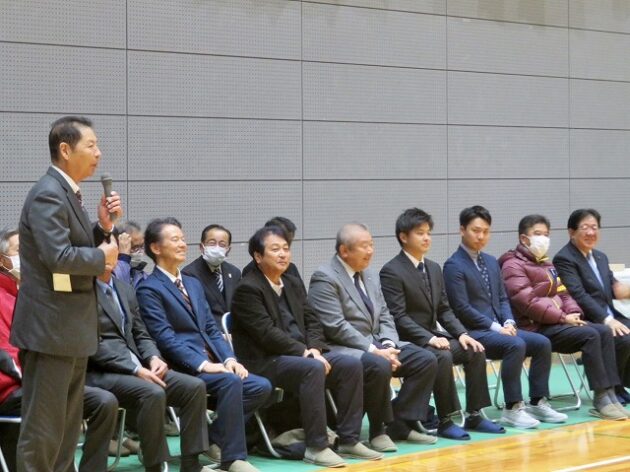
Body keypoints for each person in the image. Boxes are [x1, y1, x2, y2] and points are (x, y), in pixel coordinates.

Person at [9, 116, 121, 471]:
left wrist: (101, 228)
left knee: (65, 432)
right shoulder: (48, 193)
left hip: (69, 330)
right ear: (65, 149)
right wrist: (102, 257)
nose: (98, 153)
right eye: (91, 145)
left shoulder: (67, 192)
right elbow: (57, 257)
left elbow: (72, 246)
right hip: (50, 331)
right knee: (43, 433)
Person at [232, 226, 382, 467]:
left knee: (349, 364)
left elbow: (313, 321)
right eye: (275, 249)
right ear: (258, 256)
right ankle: (317, 446)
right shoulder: (247, 289)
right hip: (264, 360)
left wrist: (314, 349)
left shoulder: (291, 283)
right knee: (312, 368)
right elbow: (266, 334)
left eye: (286, 248)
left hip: (302, 355)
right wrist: (305, 353)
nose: (283, 254)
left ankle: (348, 439)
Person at [136, 218, 272, 472]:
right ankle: (233, 458)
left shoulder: (192, 283)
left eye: (182, 238)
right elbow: (164, 337)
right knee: (230, 382)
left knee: (259, 386)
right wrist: (203, 364)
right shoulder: (149, 289)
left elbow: (210, 328)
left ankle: (209, 437)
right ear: (155, 248)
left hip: (212, 362)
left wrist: (229, 359)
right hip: (182, 367)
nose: (182, 244)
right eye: (174, 239)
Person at [308, 223, 438, 453]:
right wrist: (374, 349)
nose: (370, 251)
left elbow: (386, 314)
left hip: (378, 342)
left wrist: (388, 343)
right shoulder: (324, 277)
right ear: (344, 250)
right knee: (378, 364)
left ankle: (399, 423)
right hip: (343, 347)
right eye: (364, 246)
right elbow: (335, 326)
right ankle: (378, 430)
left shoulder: (369, 274)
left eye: (372, 245)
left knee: (425, 359)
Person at [87, 242, 213, 472]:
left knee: (193, 387)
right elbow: (92, 345)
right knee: (152, 392)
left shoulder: (124, 289)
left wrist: (154, 358)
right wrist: (135, 369)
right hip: (101, 372)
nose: (107, 260)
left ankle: (191, 465)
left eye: (111, 255)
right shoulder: (81, 292)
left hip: (139, 366)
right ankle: (155, 466)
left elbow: (140, 333)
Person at [0, 228, 118, 472]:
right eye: (20, 250)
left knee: (104, 402)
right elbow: (7, 354)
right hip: (13, 387)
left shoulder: (38, 290)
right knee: (58, 401)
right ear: (2, 260)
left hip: (47, 377)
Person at [380, 209, 505, 439]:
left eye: (428, 233)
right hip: (409, 341)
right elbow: (399, 317)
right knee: (442, 356)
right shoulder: (391, 271)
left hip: (434, 336)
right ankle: (446, 420)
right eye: (420, 233)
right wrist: (430, 338)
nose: (426, 238)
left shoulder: (434, 268)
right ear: (403, 237)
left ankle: (475, 414)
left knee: (474, 349)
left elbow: (444, 310)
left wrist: (462, 334)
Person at [443, 205, 567, 429]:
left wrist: (509, 321)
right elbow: (461, 308)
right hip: (474, 332)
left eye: (486, 231)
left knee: (542, 343)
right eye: (475, 230)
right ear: (462, 230)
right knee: (515, 344)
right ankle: (512, 408)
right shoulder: (453, 266)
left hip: (500, 329)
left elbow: (503, 298)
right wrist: (496, 327)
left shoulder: (491, 261)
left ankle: (538, 401)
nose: (481, 236)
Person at [499, 214, 628, 420]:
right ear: (524, 238)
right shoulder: (512, 265)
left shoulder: (546, 264)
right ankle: (601, 397)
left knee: (603, 331)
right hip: (533, 327)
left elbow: (564, 293)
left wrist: (572, 311)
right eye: (538, 234)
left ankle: (610, 392)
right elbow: (528, 302)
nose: (543, 239)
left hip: (555, 322)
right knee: (591, 335)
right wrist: (562, 317)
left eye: (546, 234)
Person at [553, 208, 630, 404]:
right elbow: (578, 295)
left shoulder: (601, 257)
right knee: (624, 338)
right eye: (585, 227)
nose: (590, 232)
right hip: (587, 318)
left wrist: (623, 291)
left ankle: (621, 384)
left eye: (594, 227)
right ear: (571, 232)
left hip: (610, 315)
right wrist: (607, 320)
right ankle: (613, 387)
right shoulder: (564, 258)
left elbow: (615, 289)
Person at [182, 224, 241, 327]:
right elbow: (195, 313)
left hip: (235, 331)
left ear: (228, 249)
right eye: (212, 243)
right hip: (209, 332)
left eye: (222, 244)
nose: (217, 248)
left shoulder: (234, 272)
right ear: (202, 247)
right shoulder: (189, 274)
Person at [113, 221, 149, 288]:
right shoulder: (108, 273)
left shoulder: (143, 276)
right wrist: (123, 257)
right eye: (134, 247)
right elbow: (122, 290)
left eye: (141, 246)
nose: (139, 251)